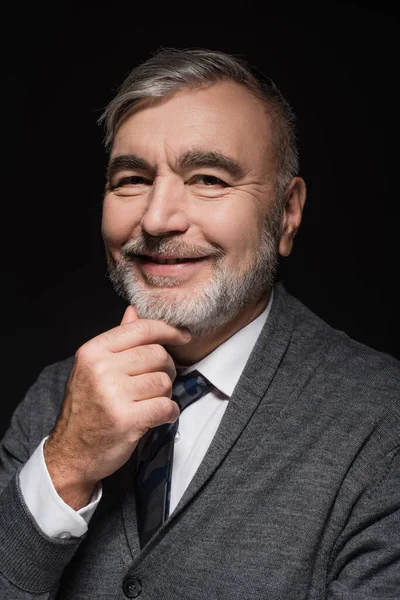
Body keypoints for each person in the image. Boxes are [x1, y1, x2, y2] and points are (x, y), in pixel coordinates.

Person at [0, 47, 399, 600]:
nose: (158, 219)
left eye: (209, 178)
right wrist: (66, 464)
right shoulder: (54, 401)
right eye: (132, 179)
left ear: (287, 213)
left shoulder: (385, 425)